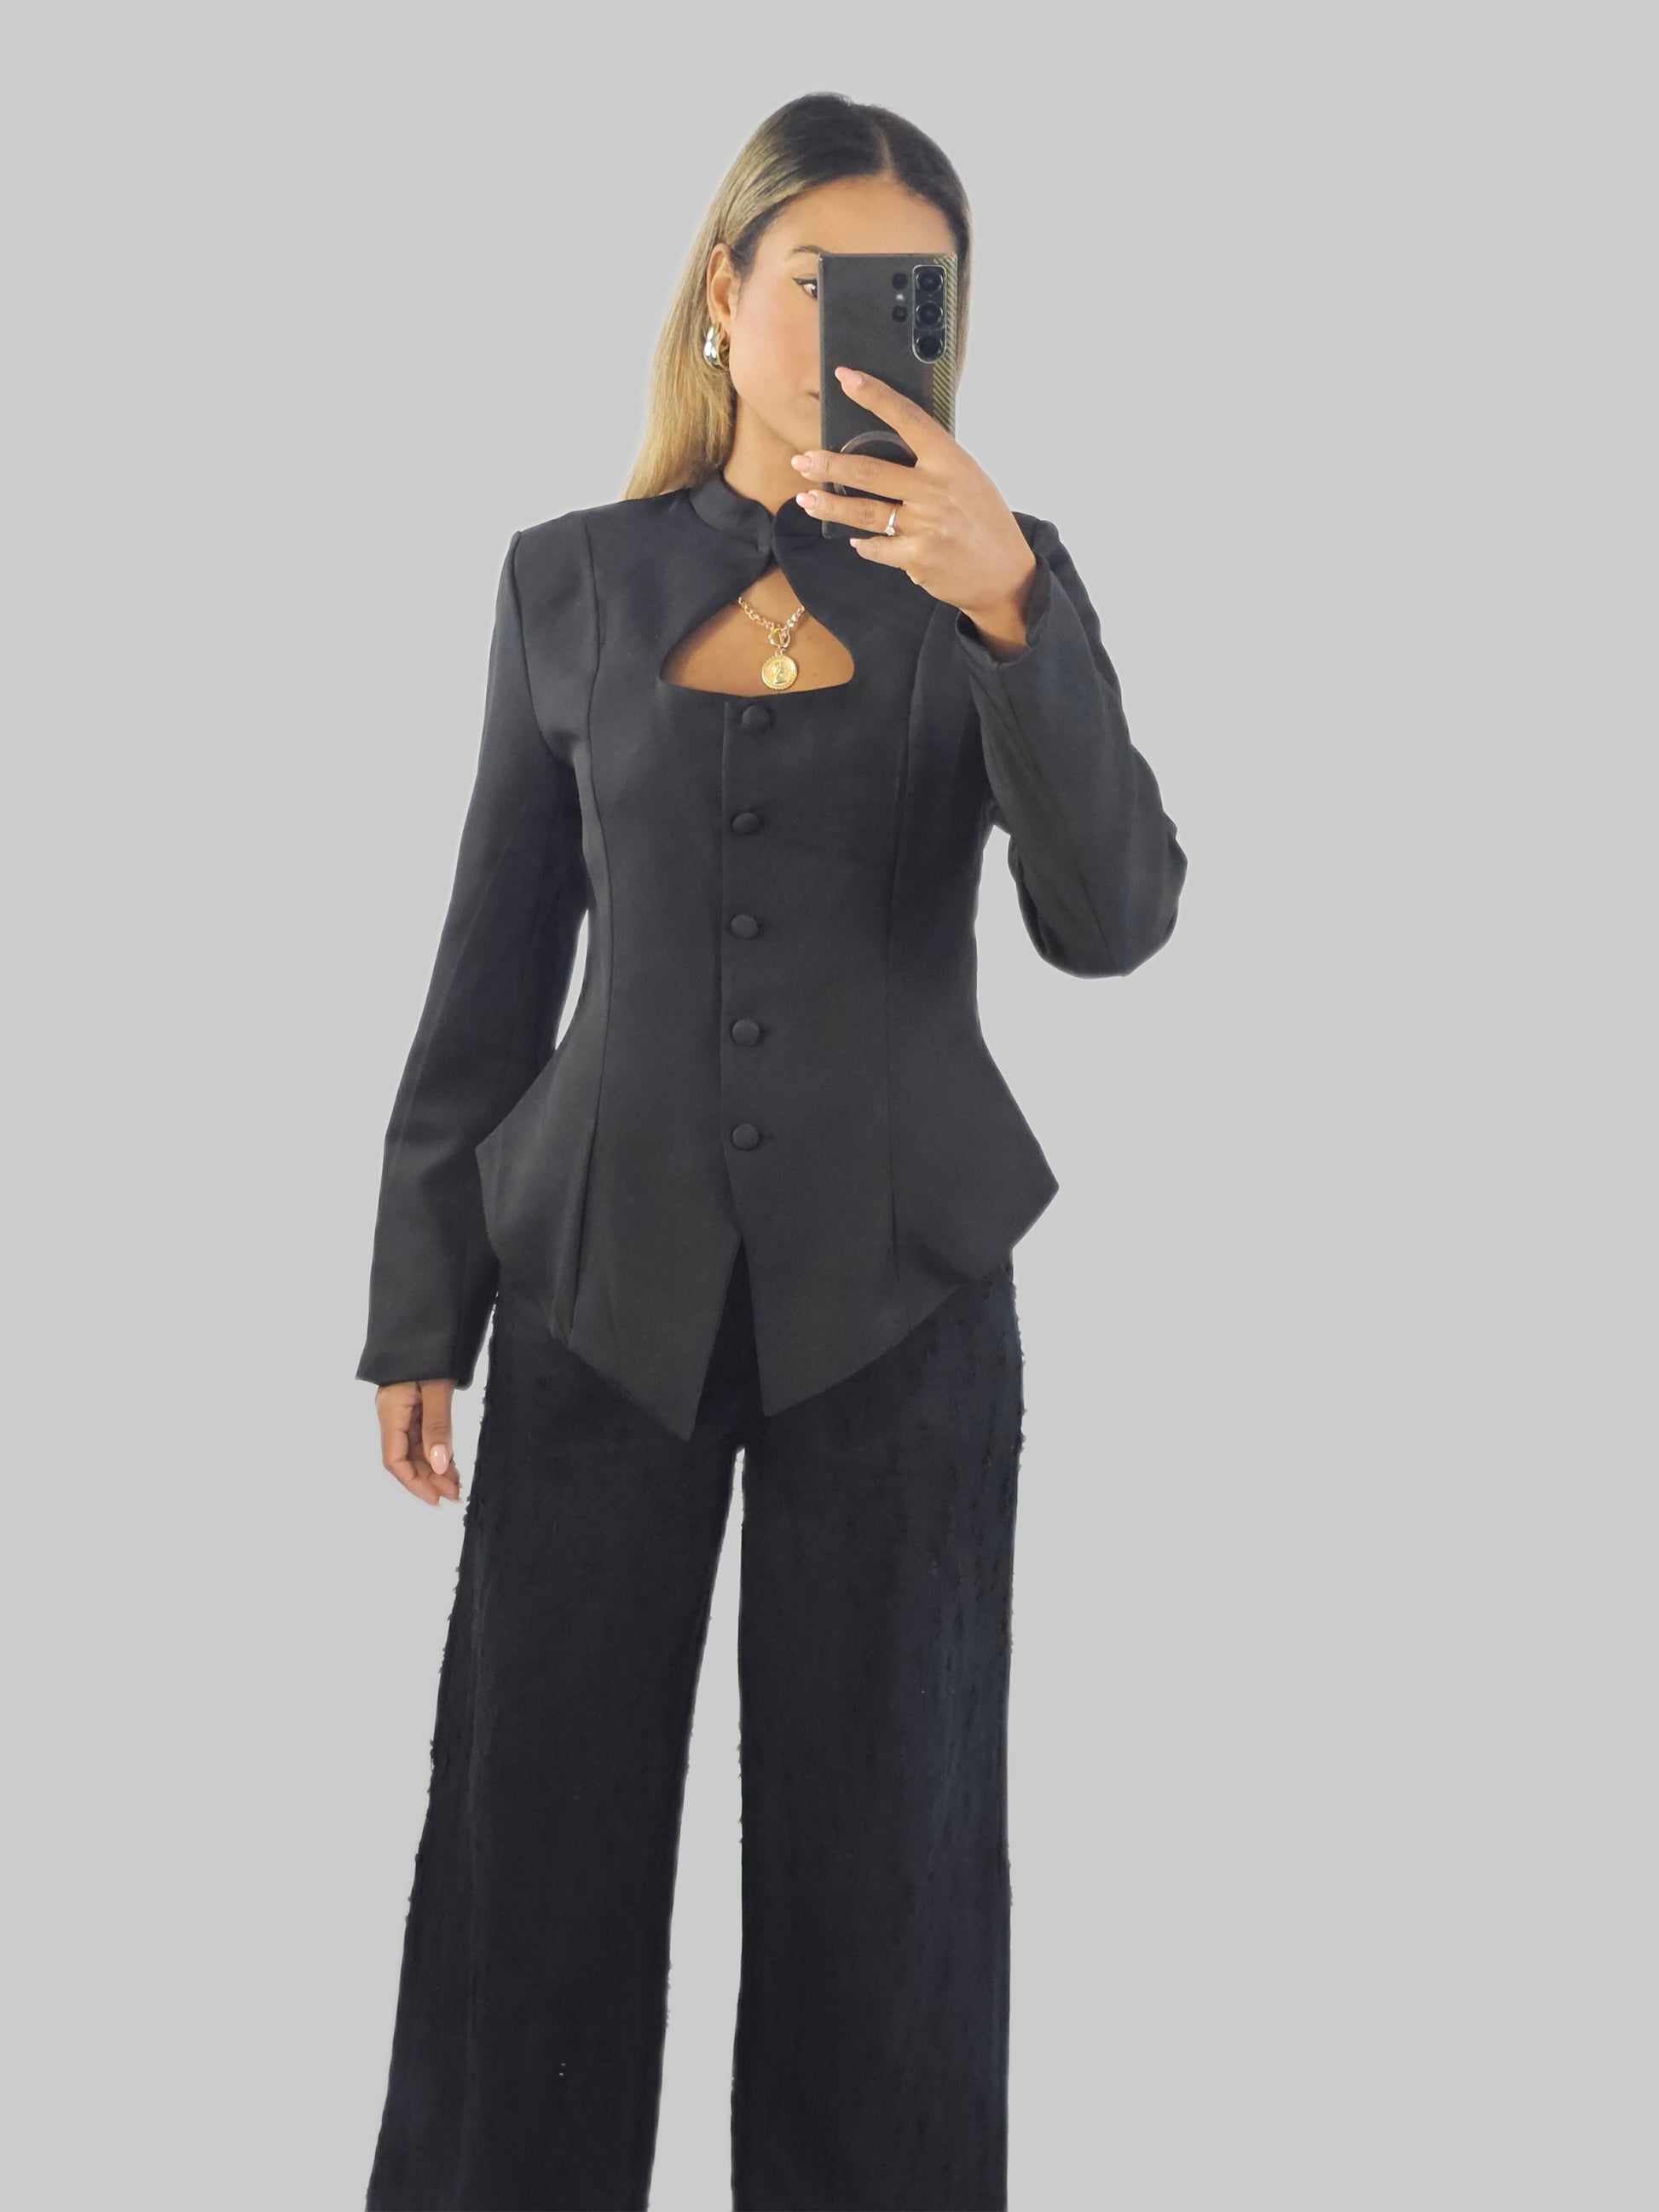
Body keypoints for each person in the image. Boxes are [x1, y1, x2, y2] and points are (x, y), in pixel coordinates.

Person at [356, 90, 1187, 2212]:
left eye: (903, 293)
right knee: (529, 1856)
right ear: (724, 296)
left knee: (886, 1874)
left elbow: (1112, 919)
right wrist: (419, 1301)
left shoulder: (990, 583)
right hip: (593, 1287)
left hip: (898, 1301)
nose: (848, 325)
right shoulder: (568, 581)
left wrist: (1014, 609)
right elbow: (493, 962)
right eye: (813, 276)